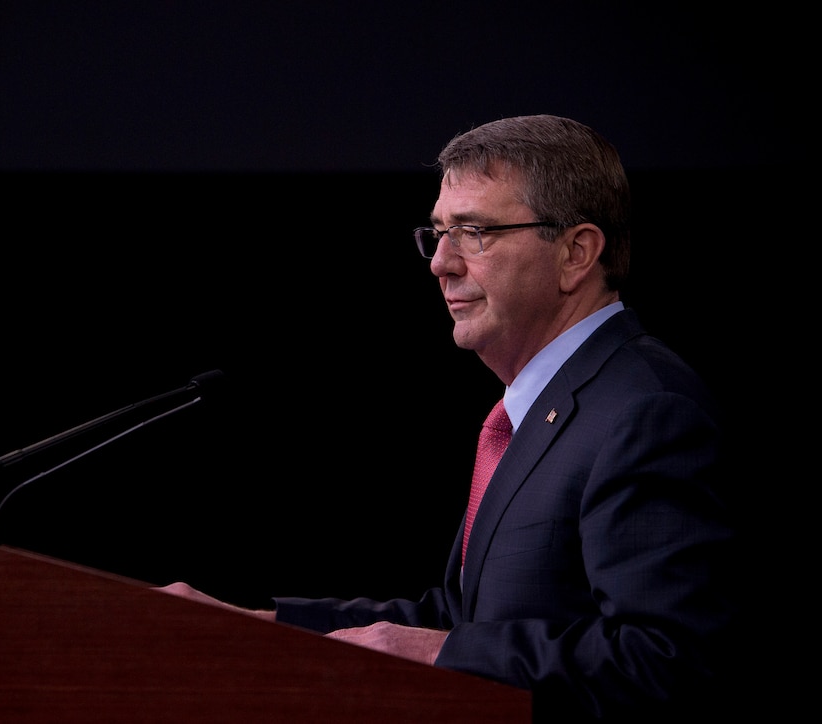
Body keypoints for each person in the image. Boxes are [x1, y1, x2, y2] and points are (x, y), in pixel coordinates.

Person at [156, 114, 741, 722]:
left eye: (473, 232)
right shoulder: (541, 408)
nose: (440, 263)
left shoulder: (646, 412)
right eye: (437, 233)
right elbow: (463, 623)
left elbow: (668, 659)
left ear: (576, 253)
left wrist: (445, 653)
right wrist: (261, 627)